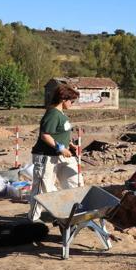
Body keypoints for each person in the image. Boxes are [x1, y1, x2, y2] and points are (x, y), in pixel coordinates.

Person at [29, 84, 82, 222]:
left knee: (74, 182)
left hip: (59, 155)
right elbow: (45, 135)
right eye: (72, 101)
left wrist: (70, 145)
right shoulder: (52, 113)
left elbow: (59, 133)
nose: (73, 104)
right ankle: (34, 219)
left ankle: (70, 212)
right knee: (42, 187)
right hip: (46, 156)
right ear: (63, 99)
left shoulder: (61, 114)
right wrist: (61, 148)